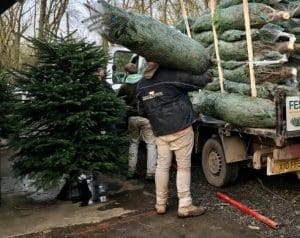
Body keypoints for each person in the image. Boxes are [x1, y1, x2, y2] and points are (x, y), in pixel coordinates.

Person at [137, 61, 213, 218]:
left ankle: (160, 204)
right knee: (183, 167)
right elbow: (196, 82)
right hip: (180, 127)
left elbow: (142, 110)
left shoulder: (141, 84)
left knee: (162, 166)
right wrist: (207, 74)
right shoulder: (170, 74)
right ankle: (185, 205)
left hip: (160, 131)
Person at [118, 63, 157, 181]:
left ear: (126, 72)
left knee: (133, 143)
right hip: (146, 118)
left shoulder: (124, 86)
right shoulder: (145, 83)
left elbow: (119, 102)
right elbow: (153, 97)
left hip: (132, 118)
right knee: (151, 144)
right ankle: (150, 173)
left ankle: (131, 171)